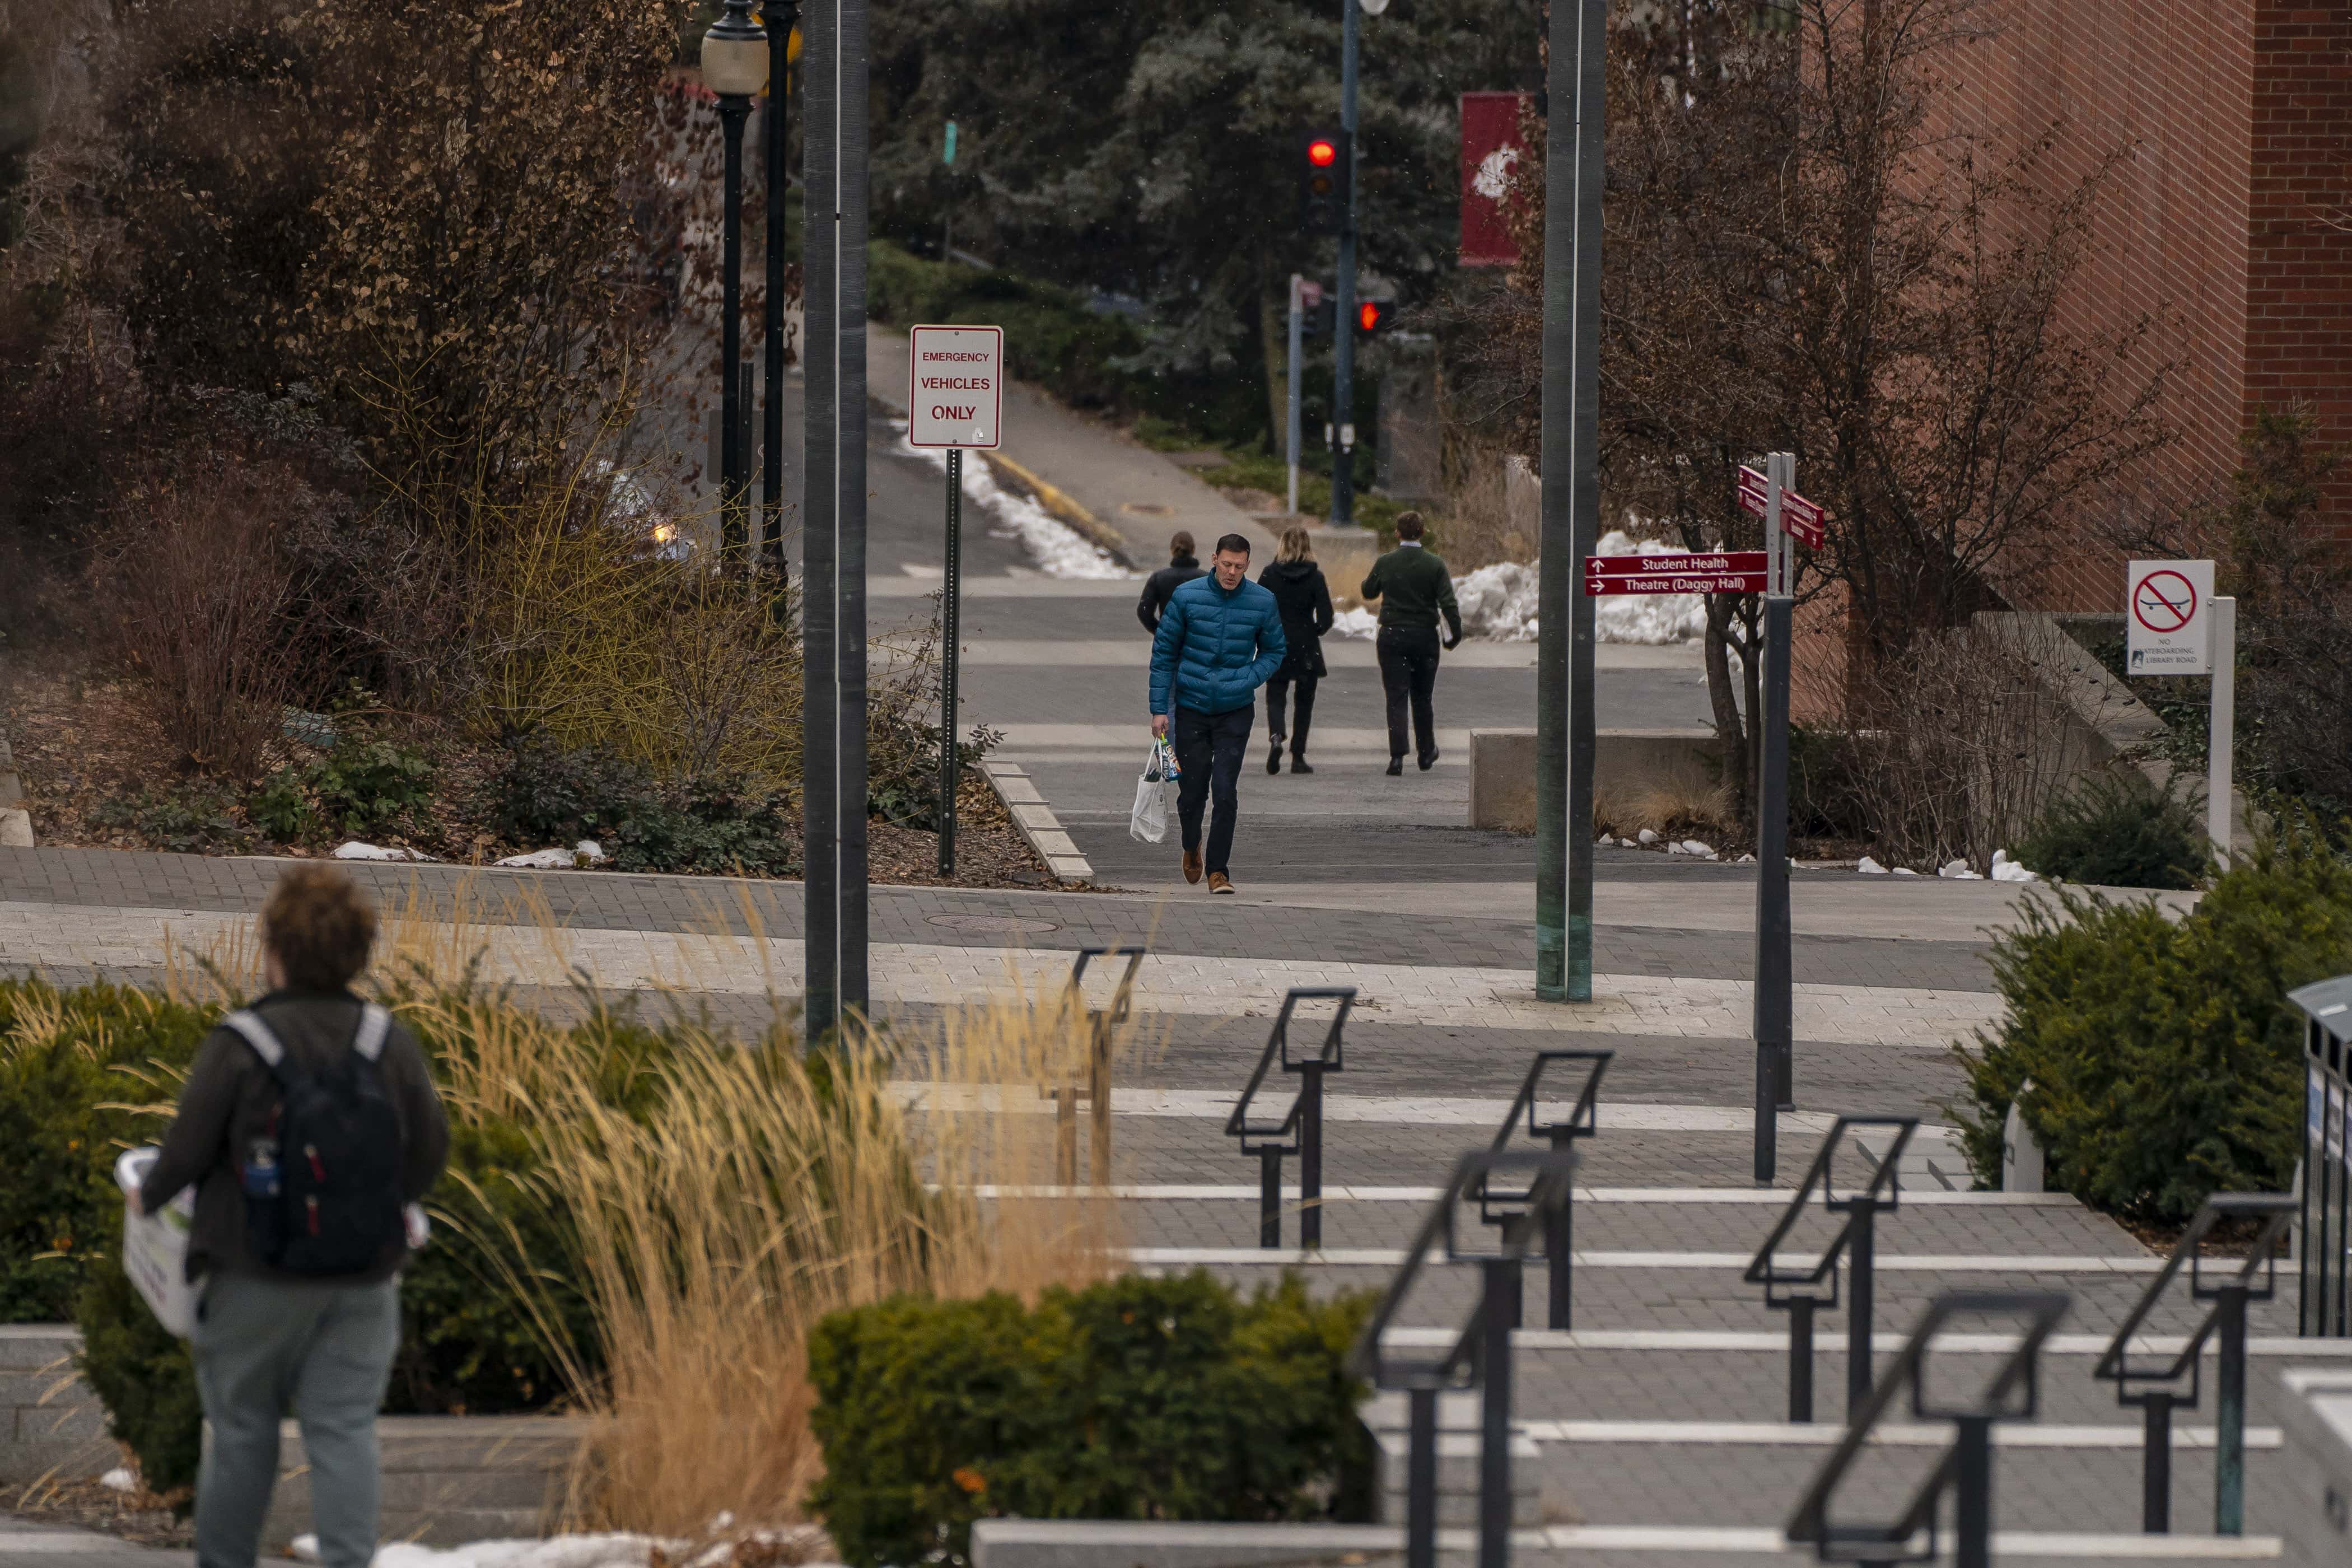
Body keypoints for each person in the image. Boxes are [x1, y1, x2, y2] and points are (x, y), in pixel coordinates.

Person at [136, 865, 450, 1568]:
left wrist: (146, 1195)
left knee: (242, 1430)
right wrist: (385, 1207)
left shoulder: (241, 1041)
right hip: (364, 1278)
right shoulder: (385, 1040)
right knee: (342, 1429)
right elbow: (431, 1148)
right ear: (361, 953)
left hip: (252, 1272)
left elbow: (185, 1150)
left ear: (273, 950)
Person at [1149, 531, 1287, 893]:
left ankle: (1219, 871)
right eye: (1226, 564)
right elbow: (1164, 655)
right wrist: (1159, 709)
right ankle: (1190, 844)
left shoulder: (1262, 601)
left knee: (1225, 791)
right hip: (1192, 708)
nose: (1231, 572)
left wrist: (1247, 679)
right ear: (1214, 559)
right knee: (1192, 793)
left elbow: (1275, 651)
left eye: (1239, 567)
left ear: (1247, 566)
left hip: (1235, 711)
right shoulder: (1187, 596)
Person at [1359, 510, 1463, 776]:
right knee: (1422, 696)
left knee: (1396, 696)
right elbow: (1448, 602)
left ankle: (1397, 756)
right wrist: (1454, 634)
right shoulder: (1435, 564)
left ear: (1397, 533)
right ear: (1423, 532)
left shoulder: (1386, 562)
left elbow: (1369, 591)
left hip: (1392, 635)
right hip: (1424, 636)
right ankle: (1426, 751)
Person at [1257, 524, 1334, 775]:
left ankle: (1277, 736)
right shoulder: (1315, 576)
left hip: (1276, 642)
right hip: (1306, 645)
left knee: (1276, 694)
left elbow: (1257, 607)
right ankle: (1298, 755)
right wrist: (1314, 631)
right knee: (1305, 701)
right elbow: (1327, 616)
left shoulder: (1270, 574)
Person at [1136, 530, 1207, 634]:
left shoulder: (1158, 578)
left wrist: (1160, 632)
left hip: (1169, 638)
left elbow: (1144, 612)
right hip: (1198, 640)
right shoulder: (1206, 579)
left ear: (1172, 550)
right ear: (1193, 550)